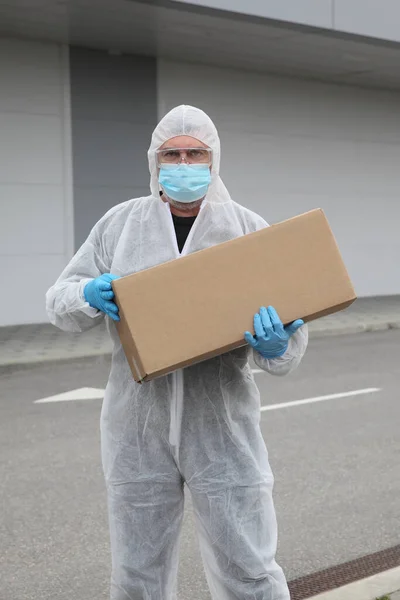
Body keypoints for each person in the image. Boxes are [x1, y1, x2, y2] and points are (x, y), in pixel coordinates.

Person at [46, 105, 308, 600]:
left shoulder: (248, 229)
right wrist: (87, 295)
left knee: (249, 568)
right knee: (136, 573)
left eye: (196, 153)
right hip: (136, 431)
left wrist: (278, 344)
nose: (184, 163)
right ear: (155, 160)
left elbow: (289, 342)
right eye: (173, 153)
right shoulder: (119, 225)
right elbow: (60, 300)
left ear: (214, 160)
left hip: (223, 430)